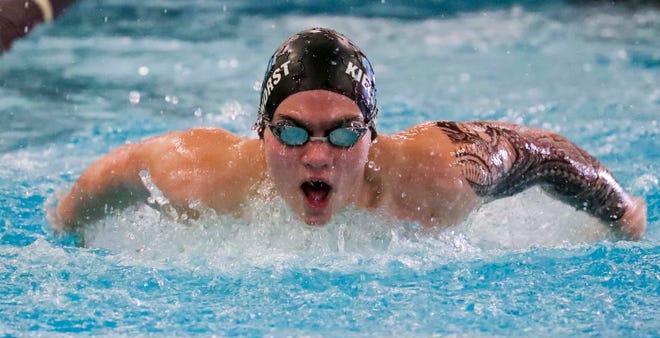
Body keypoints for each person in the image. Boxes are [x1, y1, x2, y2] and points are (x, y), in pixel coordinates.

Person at [51, 27, 647, 240]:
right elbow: (119, 171)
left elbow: (543, 152)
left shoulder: (439, 176)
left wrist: (622, 216)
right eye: (291, 133)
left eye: (341, 135)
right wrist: (64, 233)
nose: (316, 155)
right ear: (259, 133)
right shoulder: (205, 175)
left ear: (371, 136)